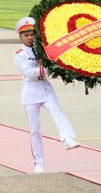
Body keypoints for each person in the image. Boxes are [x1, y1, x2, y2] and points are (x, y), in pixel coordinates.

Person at [13, 17, 80, 174]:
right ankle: (39, 162)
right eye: (26, 35)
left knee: (57, 111)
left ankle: (67, 138)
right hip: (30, 91)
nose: (30, 38)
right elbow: (29, 73)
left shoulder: (43, 49)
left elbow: (53, 63)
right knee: (35, 129)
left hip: (45, 88)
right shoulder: (19, 54)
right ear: (20, 37)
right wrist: (48, 68)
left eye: (32, 34)